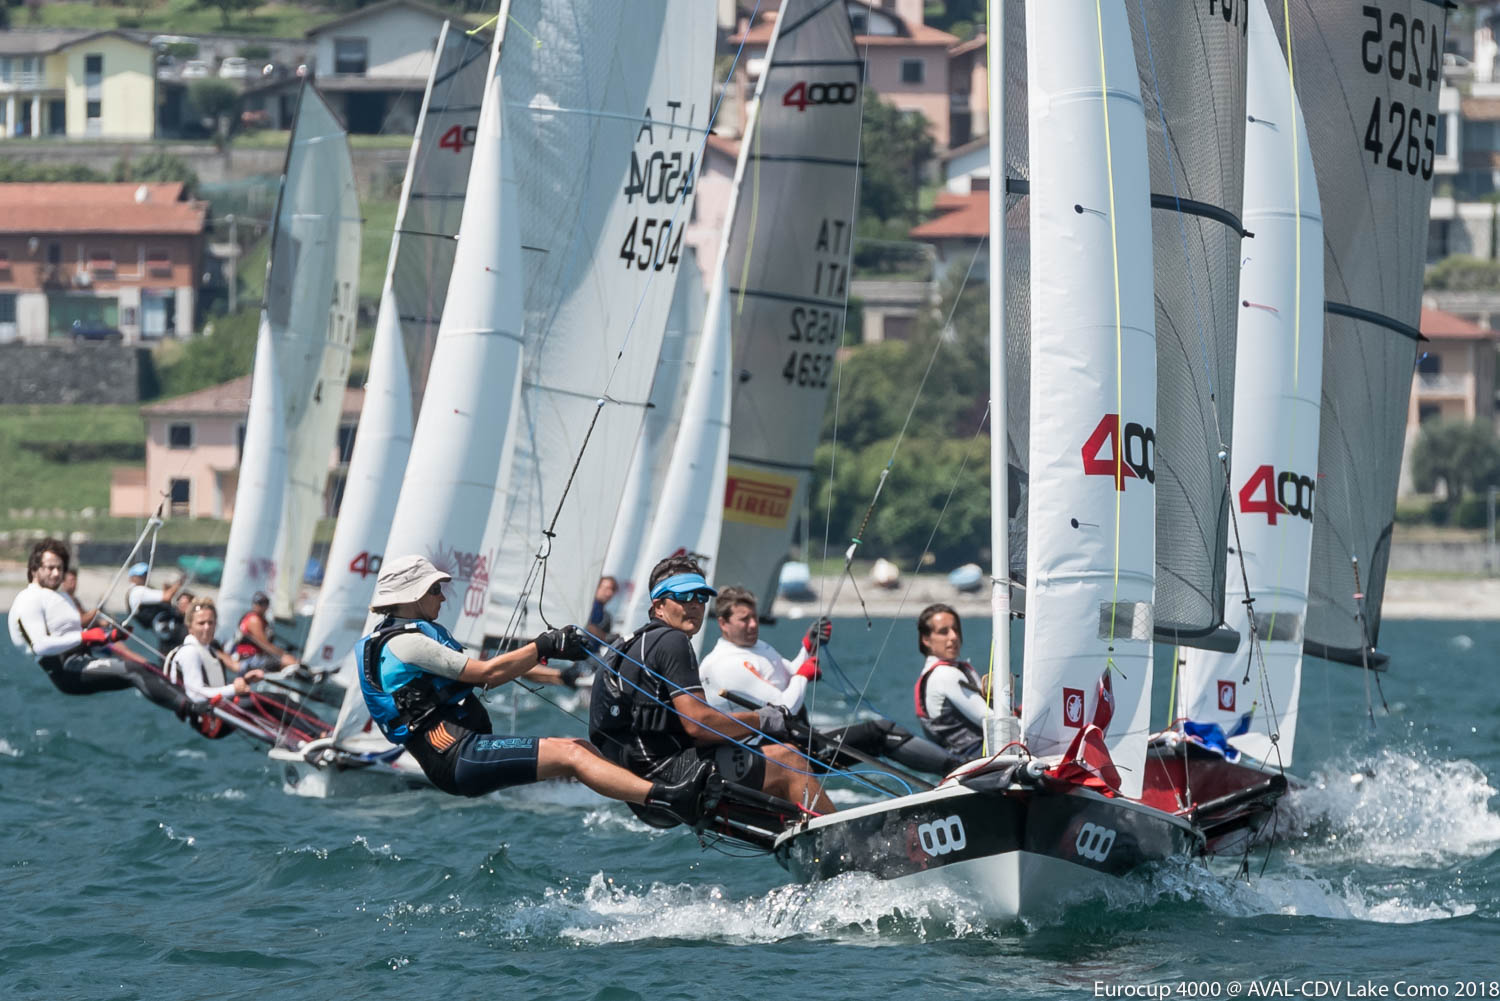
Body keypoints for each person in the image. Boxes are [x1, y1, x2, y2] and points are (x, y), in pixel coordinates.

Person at [355, 554, 711, 817]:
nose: (442, 597)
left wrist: (554, 665)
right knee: (573, 755)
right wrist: (545, 646)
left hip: (459, 753)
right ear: (411, 595)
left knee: (578, 748)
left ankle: (652, 791)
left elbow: (497, 671)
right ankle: (669, 798)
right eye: (435, 590)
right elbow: (487, 673)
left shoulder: (397, 640)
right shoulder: (406, 643)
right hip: (457, 756)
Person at [590, 555, 834, 828]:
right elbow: (699, 724)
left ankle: (797, 834)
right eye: (684, 597)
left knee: (759, 756)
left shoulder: (632, 643)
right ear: (658, 605)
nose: (695, 605)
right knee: (789, 759)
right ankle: (842, 840)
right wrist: (763, 719)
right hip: (670, 779)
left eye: (701, 597)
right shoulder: (673, 641)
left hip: (637, 789)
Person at [701, 586, 959, 776]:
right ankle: (956, 769)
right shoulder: (727, 664)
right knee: (881, 733)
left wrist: (808, 646)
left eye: (754, 617)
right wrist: (803, 675)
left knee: (877, 735)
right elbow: (783, 707)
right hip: (776, 756)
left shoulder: (755, 648)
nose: (753, 624)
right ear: (723, 623)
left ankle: (954, 769)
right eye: (744, 619)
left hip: (800, 740)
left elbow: (788, 674)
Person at [7, 538, 198, 719]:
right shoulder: (29, 599)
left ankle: (195, 705)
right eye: (50, 568)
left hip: (81, 659)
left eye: (60, 568)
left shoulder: (59, 597)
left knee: (150, 668)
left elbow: (73, 635)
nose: (56, 573)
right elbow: (40, 646)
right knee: (135, 670)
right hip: (66, 670)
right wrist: (86, 637)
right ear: (34, 569)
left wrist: (109, 637)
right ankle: (193, 710)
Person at [165, 598, 265, 737]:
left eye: (210, 623)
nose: (207, 627)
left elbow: (216, 687)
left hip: (219, 712)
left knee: (274, 699)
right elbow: (197, 695)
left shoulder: (209, 650)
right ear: (190, 627)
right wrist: (234, 689)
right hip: (209, 722)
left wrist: (245, 681)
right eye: (201, 623)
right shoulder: (190, 652)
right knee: (266, 701)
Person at [913, 603, 988, 762]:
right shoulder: (945, 675)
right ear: (926, 639)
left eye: (956, 630)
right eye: (943, 632)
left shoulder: (950, 670)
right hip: (975, 760)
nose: (953, 637)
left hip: (971, 759)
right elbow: (988, 719)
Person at [231, 591, 298, 672]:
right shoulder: (254, 620)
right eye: (259, 603)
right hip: (247, 659)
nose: (261, 606)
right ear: (253, 604)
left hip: (256, 657)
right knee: (290, 662)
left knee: (290, 660)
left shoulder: (262, 620)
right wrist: (284, 654)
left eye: (265, 603)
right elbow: (265, 646)